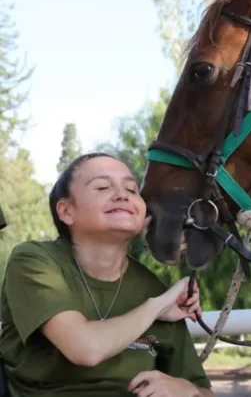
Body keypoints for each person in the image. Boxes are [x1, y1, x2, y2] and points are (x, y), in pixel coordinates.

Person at [0, 152, 213, 396]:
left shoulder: (155, 288)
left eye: (132, 190)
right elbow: (85, 349)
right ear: (66, 211)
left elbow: (204, 391)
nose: (123, 195)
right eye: (102, 187)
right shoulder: (34, 261)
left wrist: (187, 390)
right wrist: (157, 306)